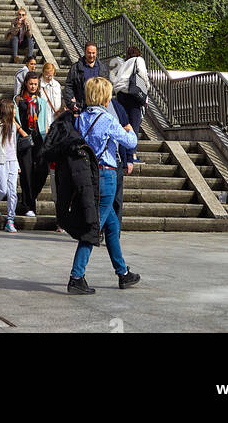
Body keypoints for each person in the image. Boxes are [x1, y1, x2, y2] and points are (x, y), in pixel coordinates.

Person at [63, 76, 139, 294]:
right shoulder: (107, 120)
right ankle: (76, 277)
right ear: (105, 97)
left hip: (88, 176)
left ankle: (122, 272)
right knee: (93, 229)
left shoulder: (79, 118)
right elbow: (131, 142)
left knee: (112, 225)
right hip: (106, 176)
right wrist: (129, 127)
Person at [14, 71, 50, 216]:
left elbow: (45, 122)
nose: (33, 86)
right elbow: (13, 119)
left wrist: (47, 139)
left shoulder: (41, 101)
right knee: (27, 172)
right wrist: (21, 131)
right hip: (24, 138)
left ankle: (29, 197)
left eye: (35, 84)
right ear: (26, 84)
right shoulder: (18, 100)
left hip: (39, 137)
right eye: (31, 84)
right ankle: (29, 206)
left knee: (43, 170)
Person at [0, 96, 19, 232]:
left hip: (12, 161)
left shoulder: (13, 126)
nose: (16, 111)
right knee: (3, 189)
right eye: (14, 109)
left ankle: (10, 219)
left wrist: (17, 163)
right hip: (1, 161)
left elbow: (14, 145)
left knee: (13, 191)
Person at [111, 45, 149, 149]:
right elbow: (142, 73)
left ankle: (124, 152)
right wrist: (146, 86)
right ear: (138, 53)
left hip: (120, 94)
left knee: (124, 123)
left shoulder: (123, 64)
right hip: (132, 94)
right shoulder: (138, 60)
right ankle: (133, 154)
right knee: (134, 123)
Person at [64, 41, 110, 112]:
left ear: (96, 52)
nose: (91, 55)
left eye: (93, 53)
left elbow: (108, 86)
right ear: (85, 52)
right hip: (81, 108)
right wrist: (71, 103)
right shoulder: (76, 68)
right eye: (89, 53)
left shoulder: (103, 68)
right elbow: (69, 86)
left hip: (99, 109)